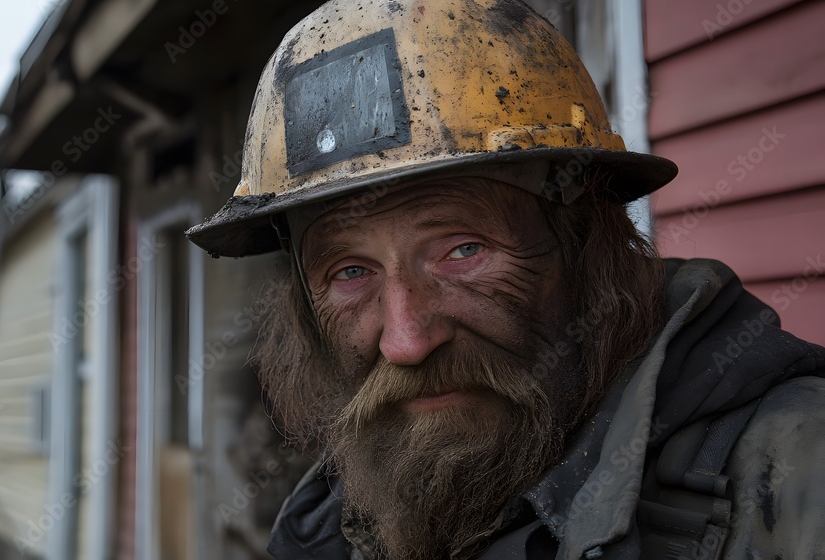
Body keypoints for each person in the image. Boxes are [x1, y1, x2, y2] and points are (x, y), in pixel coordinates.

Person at [187, 0, 825, 558]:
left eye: (464, 250)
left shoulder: (798, 476)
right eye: (351, 271)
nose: (405, 341)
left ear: (591, 247)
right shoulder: (341, 517)